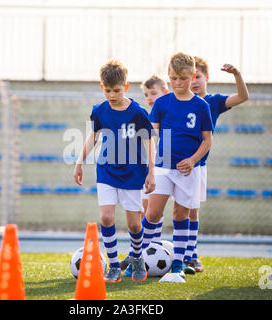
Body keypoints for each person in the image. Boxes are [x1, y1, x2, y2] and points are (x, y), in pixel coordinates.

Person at [73, 60, 156, 283]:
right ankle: (112, 265)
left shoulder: (138, 112)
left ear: (126, 87)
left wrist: (151, 172)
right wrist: (79, 161)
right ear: (102, 88)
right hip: (107, 171)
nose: (112, 95)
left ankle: (137, 258)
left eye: (116, 90)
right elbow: (94, 136)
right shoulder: (99, 111)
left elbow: (149, 141)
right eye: (107, 90)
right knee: (106, 217)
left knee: (133, 224)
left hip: (132, 172)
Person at [143, 52, 213, 278]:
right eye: (173, 78)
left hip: (186, 170)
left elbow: (207, 140)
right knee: (152, 213)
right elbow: (150, 135)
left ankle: (178, 264)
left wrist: (193, 160)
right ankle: (141, 258)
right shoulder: (162, 102)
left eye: (182, 78)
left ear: (192, 76)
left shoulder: (201, 106)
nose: (177, 83)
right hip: (163, 167)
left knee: (181, 214)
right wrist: (150, 167)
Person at [183, 56, 249, 273]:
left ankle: (190, 255)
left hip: (197, 165)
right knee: (167, 209)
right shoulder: (179, 100)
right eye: (190, 77)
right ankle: (152, 250)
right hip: (174, 163)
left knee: (192, 210)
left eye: (198, 76)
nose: (193, 81)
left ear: (206, 77)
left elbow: (242, 96)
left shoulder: (213, 102)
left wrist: (237, 75)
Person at [119, 75, 169, 274]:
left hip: (161, 169)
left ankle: (145, 250)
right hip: (144, 169)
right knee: (142, 212)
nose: (149, 98)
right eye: (146, 94)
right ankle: (139, 251)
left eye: (153, 93)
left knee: (152, 210)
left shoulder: (168, 114)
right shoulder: (145, 116)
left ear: (165, 93)